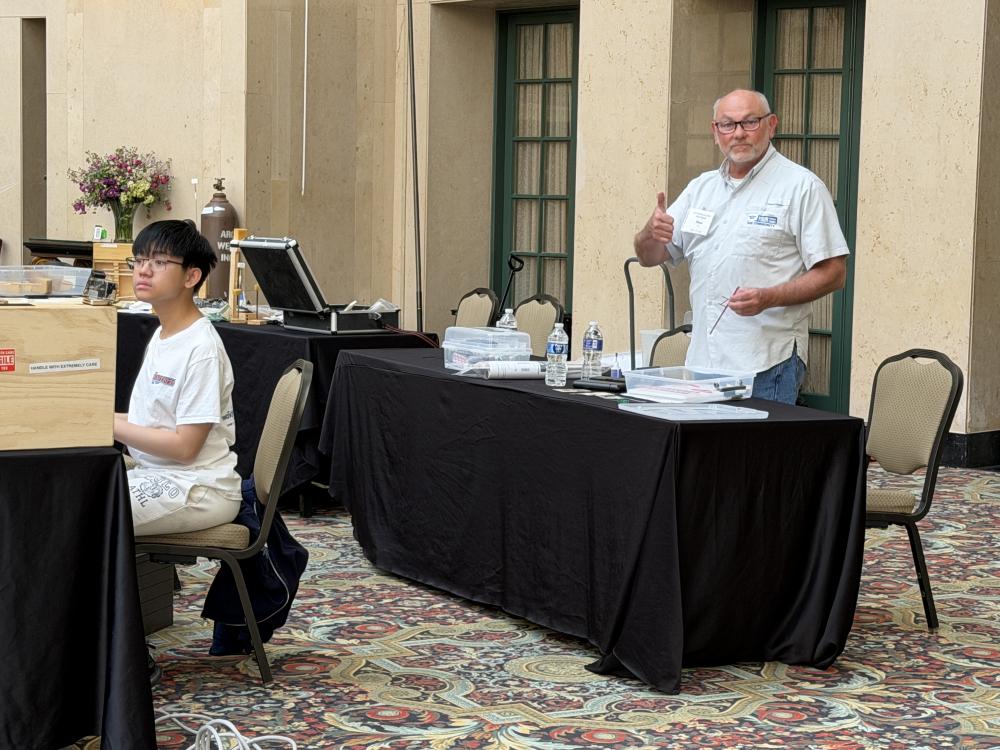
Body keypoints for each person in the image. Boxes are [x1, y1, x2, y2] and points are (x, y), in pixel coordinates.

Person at [634, 89, 849, 404]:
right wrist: (650, 232)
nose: (738, 133)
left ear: (771, 125)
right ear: (715, 132)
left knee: (759, 455)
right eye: (727, 124)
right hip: (704, 365)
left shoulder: (801, 187)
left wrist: (768, 297)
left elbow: (834, 273)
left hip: (766, 365)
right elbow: (649, 257)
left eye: (750, 122)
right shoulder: (700, 189)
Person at [114, 219, 241, 535]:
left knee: (80, 510)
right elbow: (151, 419)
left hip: (198, 487)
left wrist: (105, 424)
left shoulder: (202, 348)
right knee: (65, 492)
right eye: (140, 260)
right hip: (157, 473)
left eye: (158, 262)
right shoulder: (163, 333)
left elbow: (185, 447)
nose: (143, 270)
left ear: (192, 276)